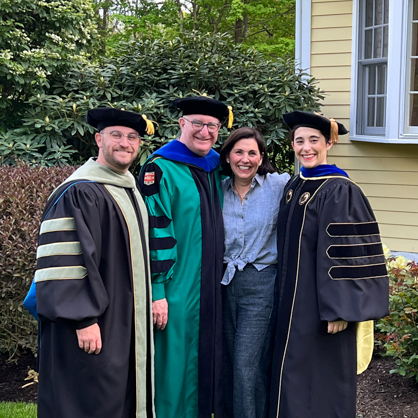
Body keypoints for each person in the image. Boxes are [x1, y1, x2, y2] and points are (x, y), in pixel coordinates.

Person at [34, 107, 155, 418]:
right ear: (98, 138)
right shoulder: (81, 191)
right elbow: (64, 261)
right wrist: (82, 319)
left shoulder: (128, 188)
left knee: (116, 396)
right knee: (89, 398)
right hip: (91, 321)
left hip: (122, 319)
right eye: (116, 135)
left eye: (132, 137)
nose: (125, 143)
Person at [269, 111, 389, 418]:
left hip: (322, 309)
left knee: (320, 382)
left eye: (314, 140)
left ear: (329, 143)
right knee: (293, 373)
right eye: (299, 141)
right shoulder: (296, 184)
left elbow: (348, 254)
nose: (306, 148)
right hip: (292, 303)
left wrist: (340, 309)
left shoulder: (339, 189)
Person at [138, 96, 232, 418]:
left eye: (213, 126)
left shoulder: (217, 165)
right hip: (177, 289)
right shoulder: (160, 168)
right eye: (197, 124)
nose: (205, 132)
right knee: (174, 367)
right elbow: (154, 231)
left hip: (211, 287)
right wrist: (158, 292)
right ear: (182, 124)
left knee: (204, 362)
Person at [219, 127, 290, 418]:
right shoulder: (217, 189)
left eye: (252, 153)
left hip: (261, 285)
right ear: (227, 156)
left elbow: (314, 182)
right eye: (239, 152)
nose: (245, 159)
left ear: (261, 158)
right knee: (235, 365)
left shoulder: (279, 185)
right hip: (225, 284)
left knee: (246, 365)